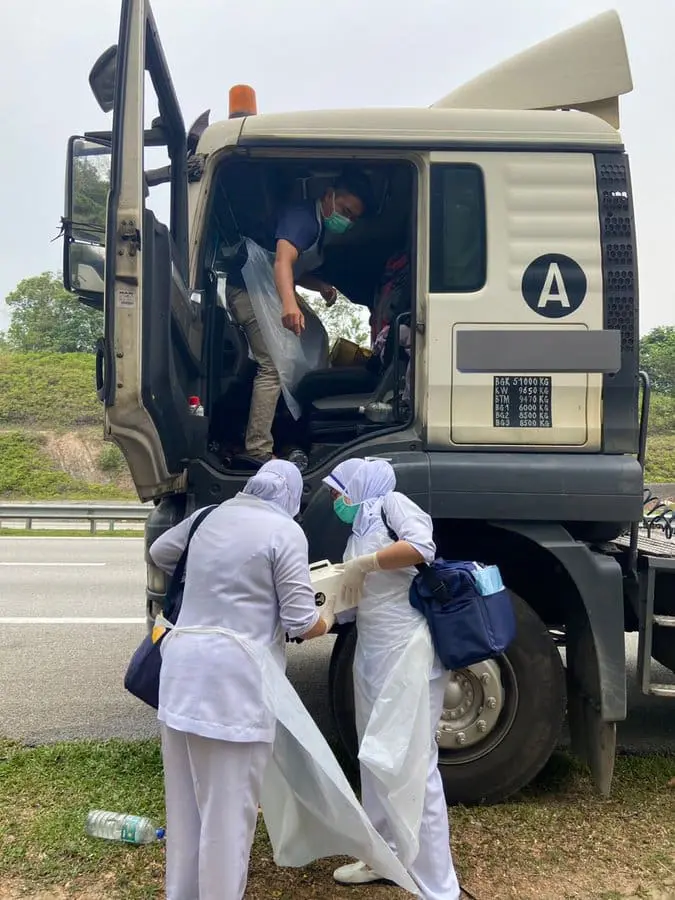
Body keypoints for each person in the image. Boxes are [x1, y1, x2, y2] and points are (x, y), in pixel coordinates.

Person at [149, 461, 335, 900]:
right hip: (233, 684)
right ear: (290, 497)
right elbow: (299, 620)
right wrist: (328, 618)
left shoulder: (208, 515)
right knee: (228, 818)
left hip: (179, 674)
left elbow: (159, 552)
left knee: (186, 810)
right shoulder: (285, 532)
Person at [324, 458, 461, 900]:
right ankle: (382, 857)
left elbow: (423, 548)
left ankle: (436, 885)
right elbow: (354, 595)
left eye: (338, 490)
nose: (334, 499)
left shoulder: (392, 504)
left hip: (408, 652)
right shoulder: (359, 527)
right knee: (374, 755)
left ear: (361, 486)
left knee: (414, 763)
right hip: (371, 652)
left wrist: (365, 563)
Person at [225, 170, 373, 464]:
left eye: (353, 218)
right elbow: (281, 262)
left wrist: (320, 287)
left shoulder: (318, 227)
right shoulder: (303, 217)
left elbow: (297, 270)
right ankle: (257, 447)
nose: (347, 220)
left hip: (267, 288)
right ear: (329, 194)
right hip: (248, 290)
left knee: (316, 335)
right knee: (272, 364)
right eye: (345, 211)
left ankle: (298, 421)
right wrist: (289, 305)